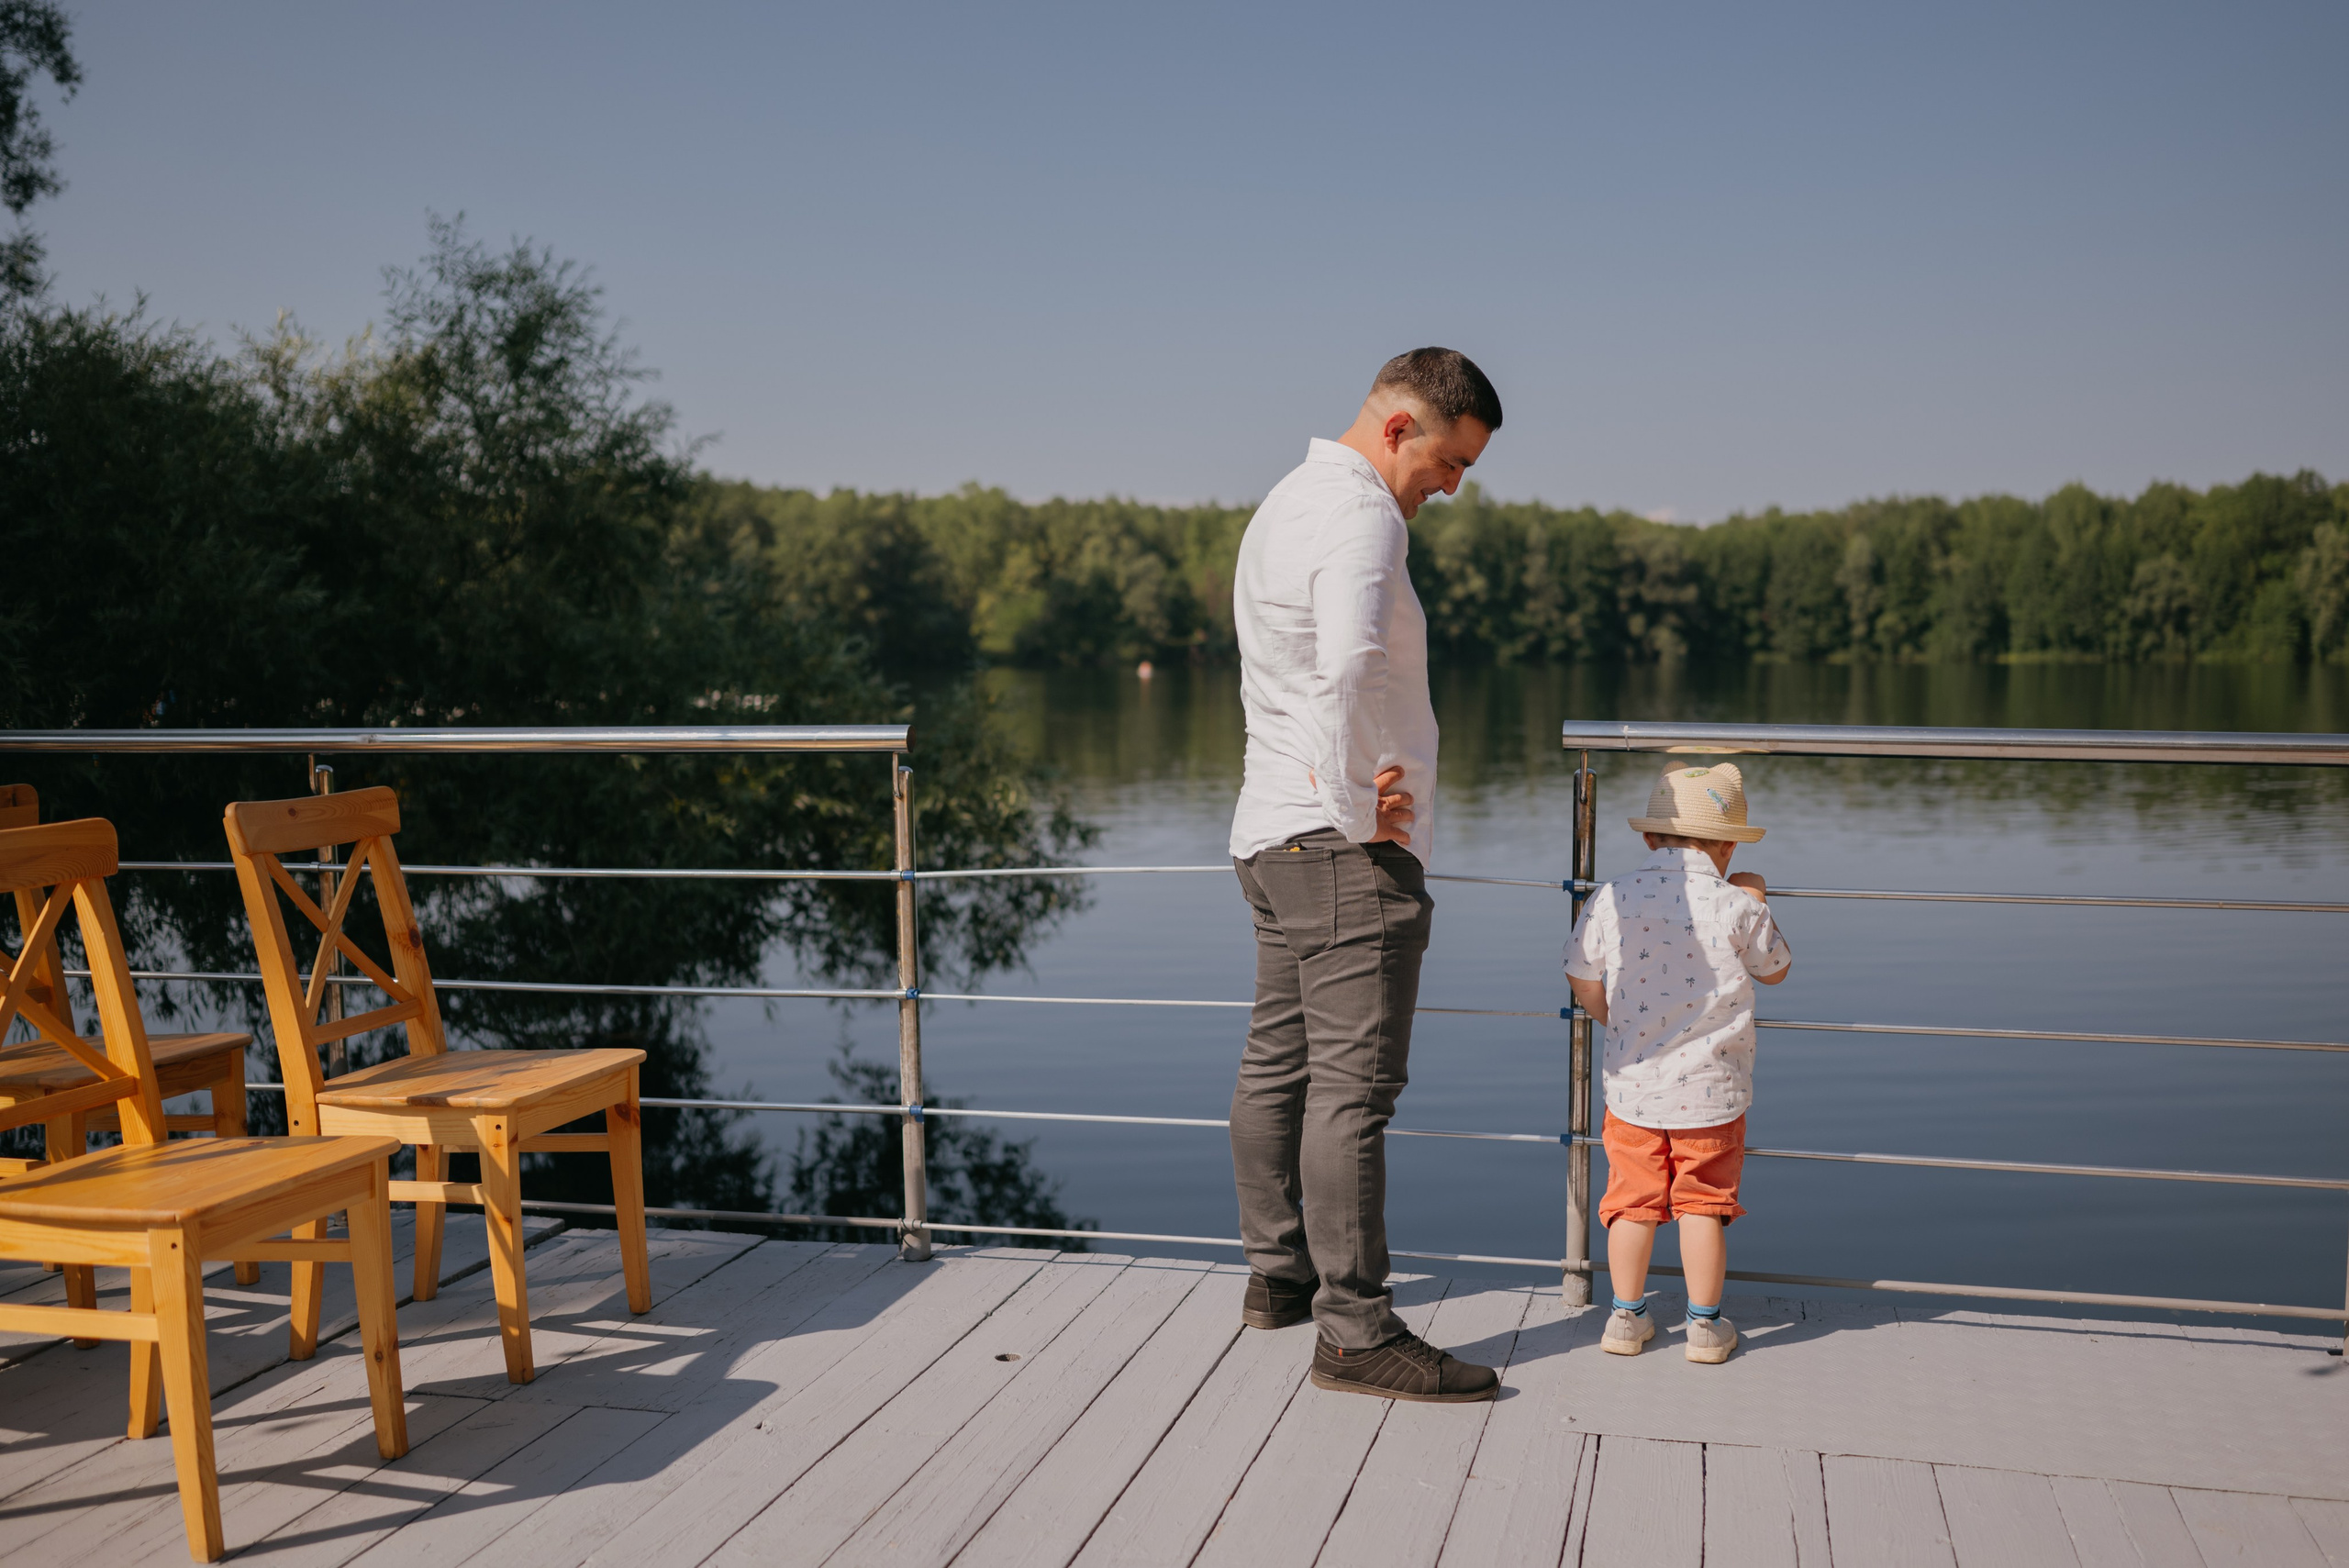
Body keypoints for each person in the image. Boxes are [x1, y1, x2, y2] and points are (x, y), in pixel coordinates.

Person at [1227, 347, 1504, 1403]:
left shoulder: (1282, 503)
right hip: (1336, 847)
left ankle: (1278, 1277)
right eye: (1448, 459)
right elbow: (1346, 664)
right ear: (1397, 427)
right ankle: (1353, 1330)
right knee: (1354, 1091)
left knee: (1279, 1062)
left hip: (1267, 835)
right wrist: (1355, 810)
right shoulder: (1361, 515)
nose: (1452, 485)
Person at [1564, 762, 1793, 1364]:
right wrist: (1757, 900)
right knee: (1703, 1205)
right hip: (1712, 1095)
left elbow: (1580, 971)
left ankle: (1625, 1317)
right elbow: (1775, 968)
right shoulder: (1734, 903)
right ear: (1727, 847)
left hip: (1633, 1088)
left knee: (1632, 1202)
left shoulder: (1611, 895)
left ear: (1649, 838)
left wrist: (1610, 1017)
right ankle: (1704, 1326)